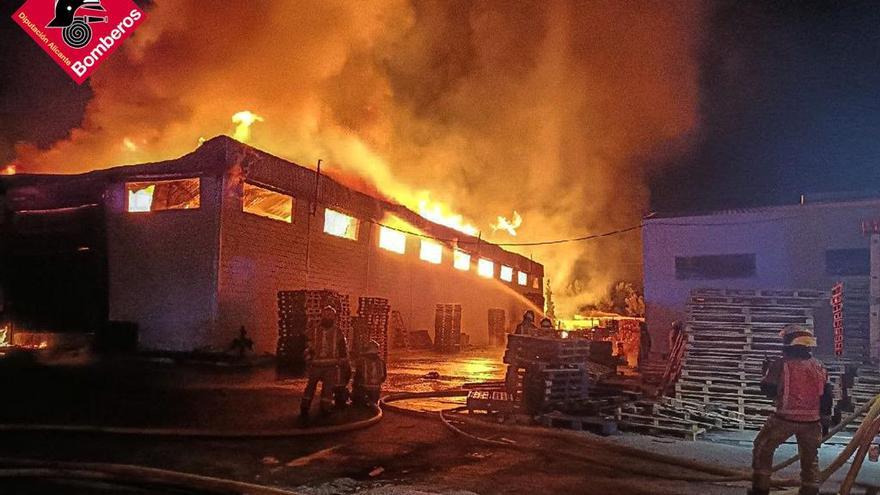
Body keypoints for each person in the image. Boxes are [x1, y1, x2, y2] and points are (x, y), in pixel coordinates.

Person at [749, 324, 833, 495]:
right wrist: (825, 421)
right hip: (812, 422)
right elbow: (827, 396)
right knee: (810, 459)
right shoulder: (819, 366)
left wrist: (765, 373)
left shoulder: (781, 365)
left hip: (784, 420)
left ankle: (761, 488)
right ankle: (810, 490)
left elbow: (768, 390)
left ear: (790, 343)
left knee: (762, 447)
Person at [300, 306, 348, 424]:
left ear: (334, 317)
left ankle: (325, 408)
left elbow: (342, 347)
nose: (328, 317)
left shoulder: (338, 332)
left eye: (330, 315)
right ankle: (305, 407)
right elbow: (306, 343)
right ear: (322, 316)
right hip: (315, 365)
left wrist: (343, 361)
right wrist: (308, 357)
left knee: (328, 388)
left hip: (331, 366)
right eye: (326, 314)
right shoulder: (314, 330)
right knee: (310, 387)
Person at [352, 340, 387, 408]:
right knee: (373, 405)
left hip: (362, 391)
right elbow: (383, 378)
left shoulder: (361, 362)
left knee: (356, 401)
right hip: (375, 392)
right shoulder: (382, 363)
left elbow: (356, 379)